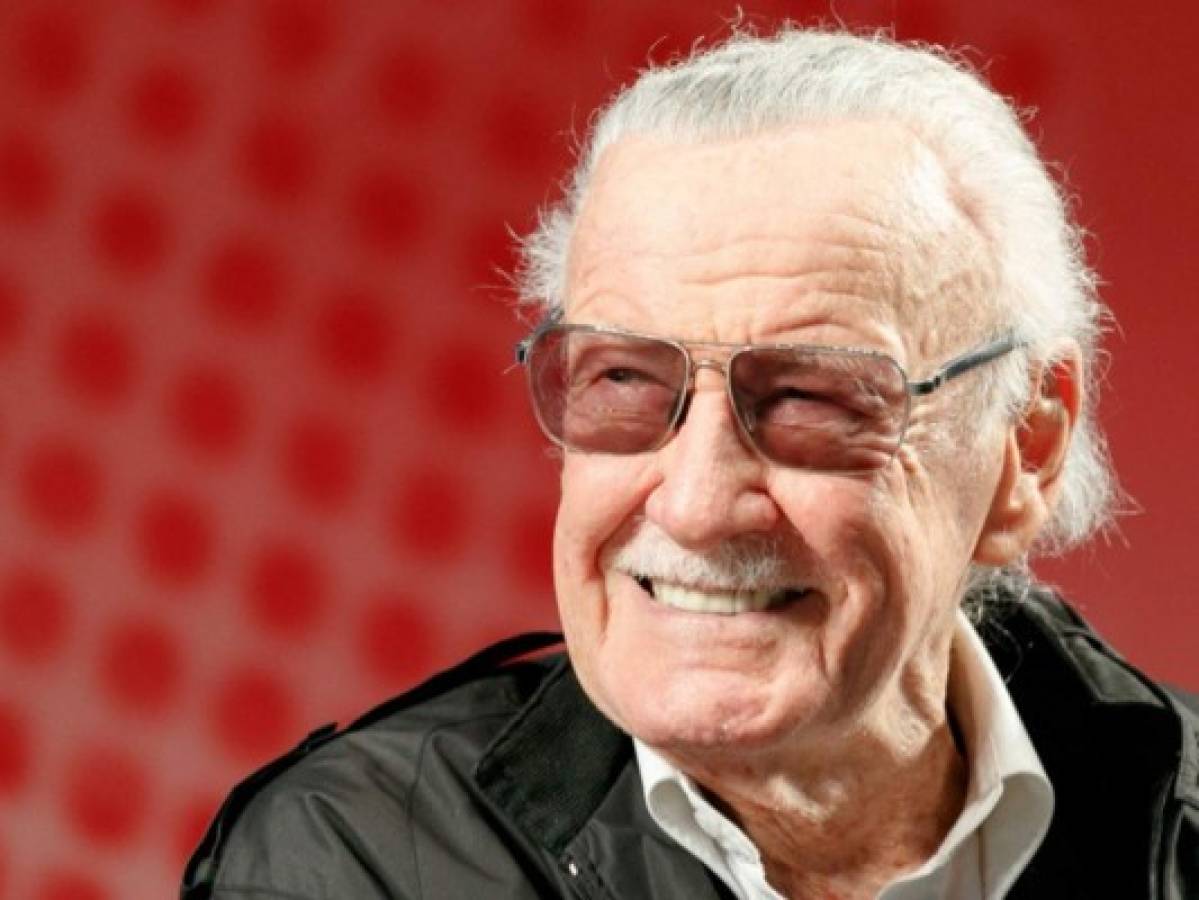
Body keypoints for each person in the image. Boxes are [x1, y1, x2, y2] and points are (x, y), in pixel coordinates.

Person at [181, 27, 1199, 900]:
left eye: (809, 398)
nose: (697, 504)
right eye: (624, 381)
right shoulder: (351, 862)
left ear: (1026, 447)